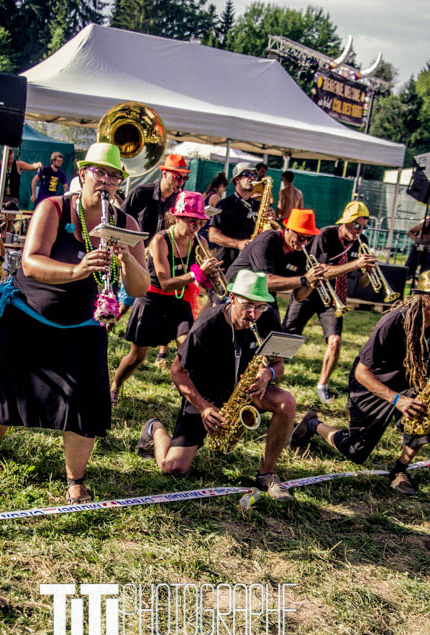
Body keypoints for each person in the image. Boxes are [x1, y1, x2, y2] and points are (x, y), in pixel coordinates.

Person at [0, 143, 149, 503]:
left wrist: (125, 259)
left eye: (114, 176)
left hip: (83, 323)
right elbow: (30, 262)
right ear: (83, 174)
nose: (107, 181)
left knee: (84, 399)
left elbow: (140, 286)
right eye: (100, 172)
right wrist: (78, 270)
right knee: (8, 388)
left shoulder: (125, 223)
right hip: (27, 314)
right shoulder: (52, 207)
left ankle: (75, 480)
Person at [290, 268, 430, 495]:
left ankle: (400, 470)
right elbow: (362, 372)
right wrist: (397, 400)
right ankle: (313, 424)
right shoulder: (394, 320)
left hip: (408, 385)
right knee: (355, 452)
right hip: (371, 385)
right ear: (426, 297)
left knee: (424, 415)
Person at [135, 270, 296, 500]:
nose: (253, 314)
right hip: (205, 396)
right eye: (248, 305)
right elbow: (177, 372)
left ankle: (266, 473)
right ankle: (155, 428)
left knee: (287, 402)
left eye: (260, 307)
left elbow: (279, 364)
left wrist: (268, 373)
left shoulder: (267, 317)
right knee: (173, 468)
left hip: (246, 391)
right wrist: (203, 408)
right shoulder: (206, 325)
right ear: (232, 298)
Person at [110, 191, 222, 404]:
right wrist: (197, 273)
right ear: (177, 217)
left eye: (200, 223)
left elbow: (204, 283)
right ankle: (115, 385)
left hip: (178, 302)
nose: (196, 228)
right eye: (191, 221)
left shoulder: (200, 243)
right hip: (152, 299)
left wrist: (212, 278)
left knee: (189, 348)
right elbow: (165, 282)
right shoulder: (160, 240)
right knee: (137, 357)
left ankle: (191, 396)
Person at [283, 201, 378, 403]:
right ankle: (271, 374)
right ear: (346, 222)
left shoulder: (362, 242)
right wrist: (356, 264)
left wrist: (368, 272)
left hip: (333, 299)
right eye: (356, 225)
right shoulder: (325, 235)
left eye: (364, 227)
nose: (359, 231)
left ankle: (322, 385)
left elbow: (361, 281)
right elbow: (321, 270)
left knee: (335, 341)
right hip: (310, 291)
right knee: (285, 338)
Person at [224, 208, 324, 307]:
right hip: (235, 292)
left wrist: (311, 284)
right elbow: (266, 281)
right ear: (288, 230)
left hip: (262, 295)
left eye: (309, 238)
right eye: (301, 237)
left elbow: (299, 296)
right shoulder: (268, 240)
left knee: (274, 322)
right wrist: (304, 280)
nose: (305, 242)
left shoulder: (300, 252)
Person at [207, 162, 261, 274]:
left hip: (251, 264)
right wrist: (238, 244)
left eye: (254, 176)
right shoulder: (224, 204)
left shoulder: (258, 205)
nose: (252, 178)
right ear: (237, 179)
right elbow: (212, 236)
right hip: (228, 263)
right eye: (247, 174)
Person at [121, 154, 189, 240]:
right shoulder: (141, 192)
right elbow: (122, 219)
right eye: (177, 177)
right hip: (137, 248)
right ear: (164, 174)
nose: (181, 182)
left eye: (185, 178)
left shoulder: (180, 200)